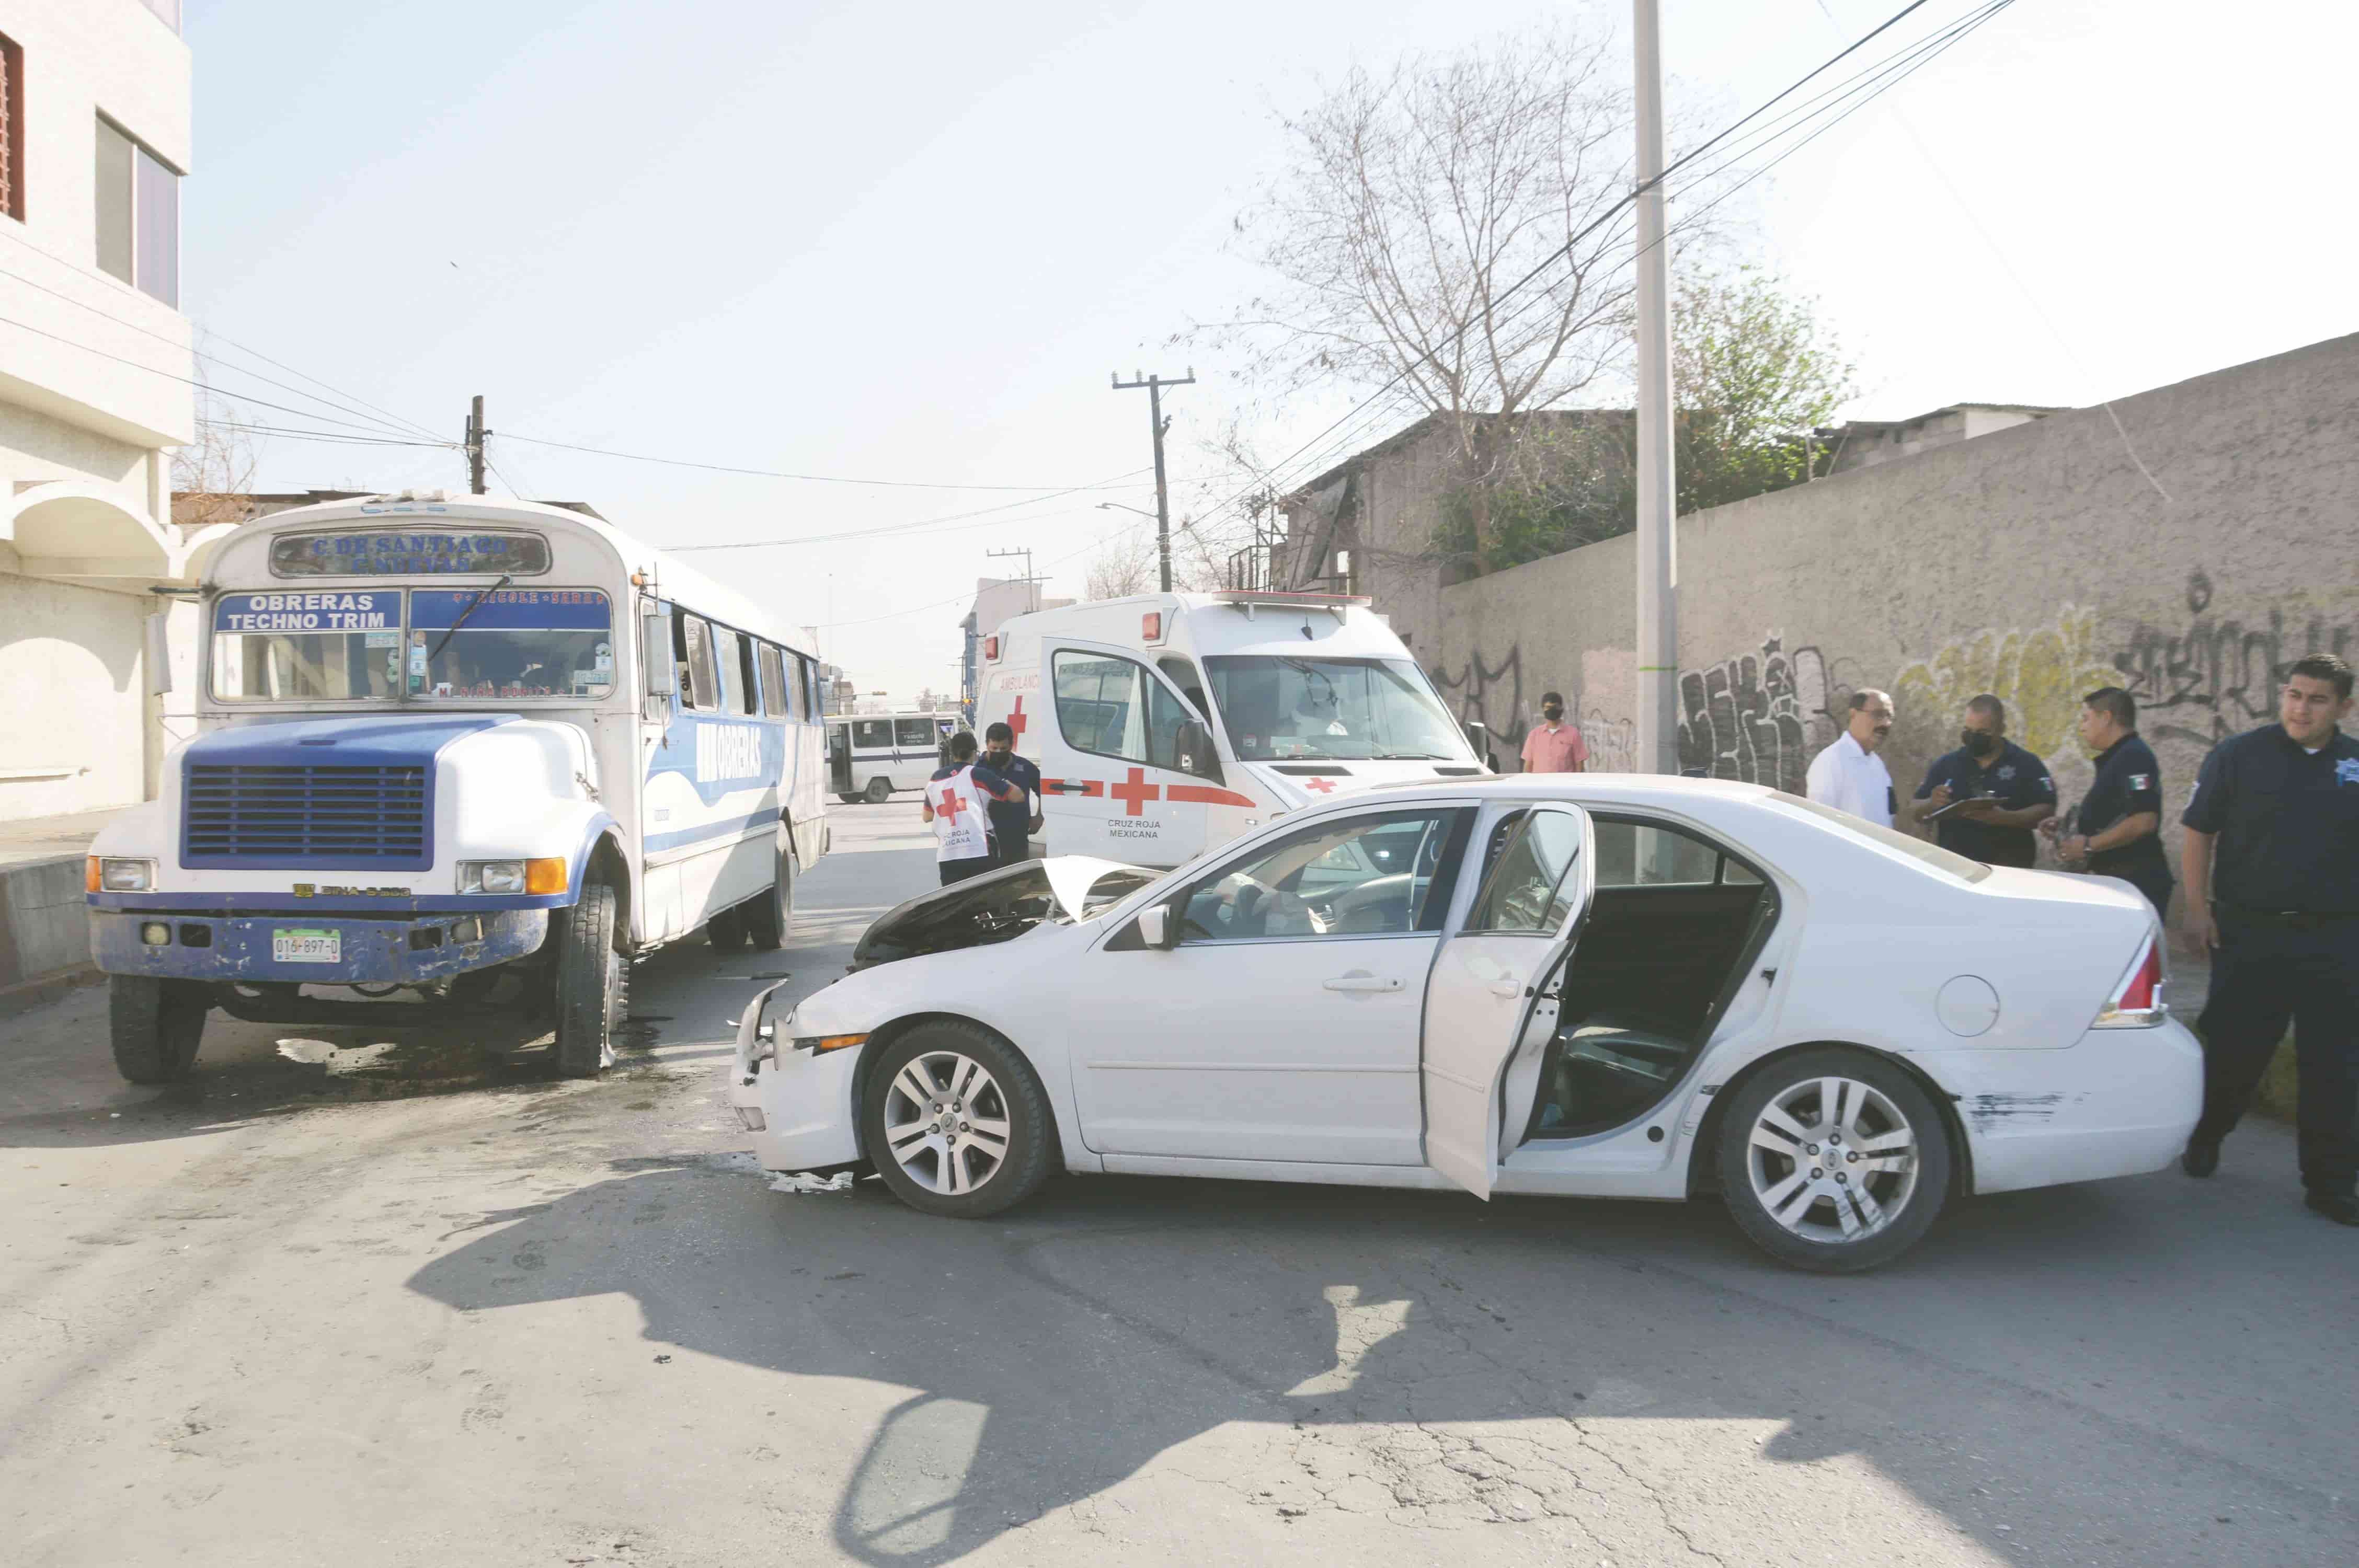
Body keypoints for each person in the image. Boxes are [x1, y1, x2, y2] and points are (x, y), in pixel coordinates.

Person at [2177, 653, 2359, 1227]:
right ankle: (2207, 1134)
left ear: (2345, 707)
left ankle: (2329, 1184)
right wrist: (2198, 908)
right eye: (2294, 695)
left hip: (2335, 938)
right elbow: (2199, 832)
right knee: (2235, 1050)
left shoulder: (2354, 764)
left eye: (2317, 699)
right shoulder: (2240, 755)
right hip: (2252, 932)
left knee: (2336, 1065)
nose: (2301, 708)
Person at [2044, 687, 2172, 915]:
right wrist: (2065, 827)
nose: (2082, 726)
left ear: (2106, 718)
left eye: (2086, 718)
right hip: (2119, 881)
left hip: (2134, 882)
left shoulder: (2134, 756)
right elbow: (2113, 815)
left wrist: (2087, 846)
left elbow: (2144, 821)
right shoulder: (2120, 756)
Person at [1910, 694, 2055, 867]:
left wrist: (2006, 818)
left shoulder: (2026, 763)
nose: (1973, 738)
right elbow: (1914, 810)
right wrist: (1931, 803)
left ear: (2001, 729)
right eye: (1968, 731)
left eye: (1983, 733)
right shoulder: (1947, 764)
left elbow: (2047, 808)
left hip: (2008, 870)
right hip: (1954, 868)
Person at [922, 731, 1027, 887]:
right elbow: (1018, 796)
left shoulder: (936, 779)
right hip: (979, 848)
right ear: (974, 753)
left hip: (949, 852)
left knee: (956, 902)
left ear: (952, 753)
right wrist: (1000, 781)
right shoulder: (979, 775)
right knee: (985, 900)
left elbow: (927, 816)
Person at [1804, 688, 1897, 827]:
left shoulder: (1877, 764)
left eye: (1889, 717)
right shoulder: (1830, 762)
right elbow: (1819, 825)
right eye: (1878, 715)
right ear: (1853, 714)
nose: (1885, 723)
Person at [980, 721, 1043, 869]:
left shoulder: (1025, 767)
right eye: (994, 748)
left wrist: (1040, 816)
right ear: (986, 744)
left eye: (1004, 748)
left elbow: (1045, 792)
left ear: (1012, 745)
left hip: (1018, 835)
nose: (999, 752)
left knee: (1019, 883)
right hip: (987, 838)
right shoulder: (976, 769)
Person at [1520, 691, 1588, 774]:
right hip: (1539, 786)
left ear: (1561, 709)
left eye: (1555, 707)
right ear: (1543, 709)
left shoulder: (1573, 734)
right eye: (1548, 707)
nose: (1551, 710)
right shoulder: (1534, 735)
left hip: (1565, 786)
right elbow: (1528, 766)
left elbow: (1579, 765)